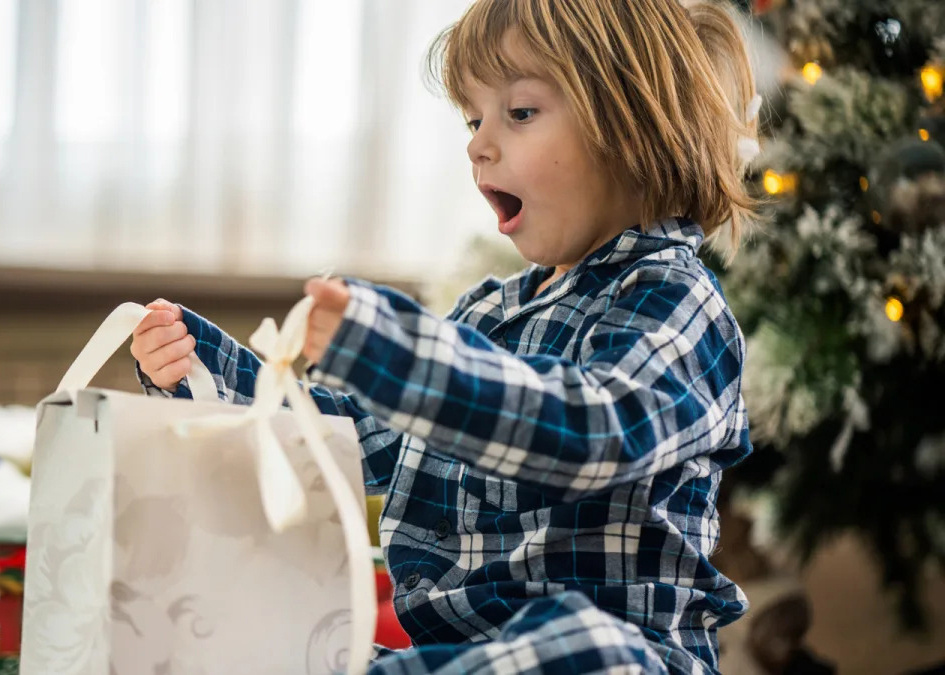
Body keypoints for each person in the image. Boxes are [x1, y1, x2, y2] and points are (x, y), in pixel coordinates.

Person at [131, 0, 762, 671]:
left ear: (632, 125)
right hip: (459, 655)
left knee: (589, 647)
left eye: (520, 112)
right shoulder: (483, 316)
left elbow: (592, 429)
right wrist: (209, 370)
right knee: (274, 637)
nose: (477, 144)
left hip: (621, 654)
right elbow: (343, 443)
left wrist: (397, 355)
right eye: (472, 118)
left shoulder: (675, 298)